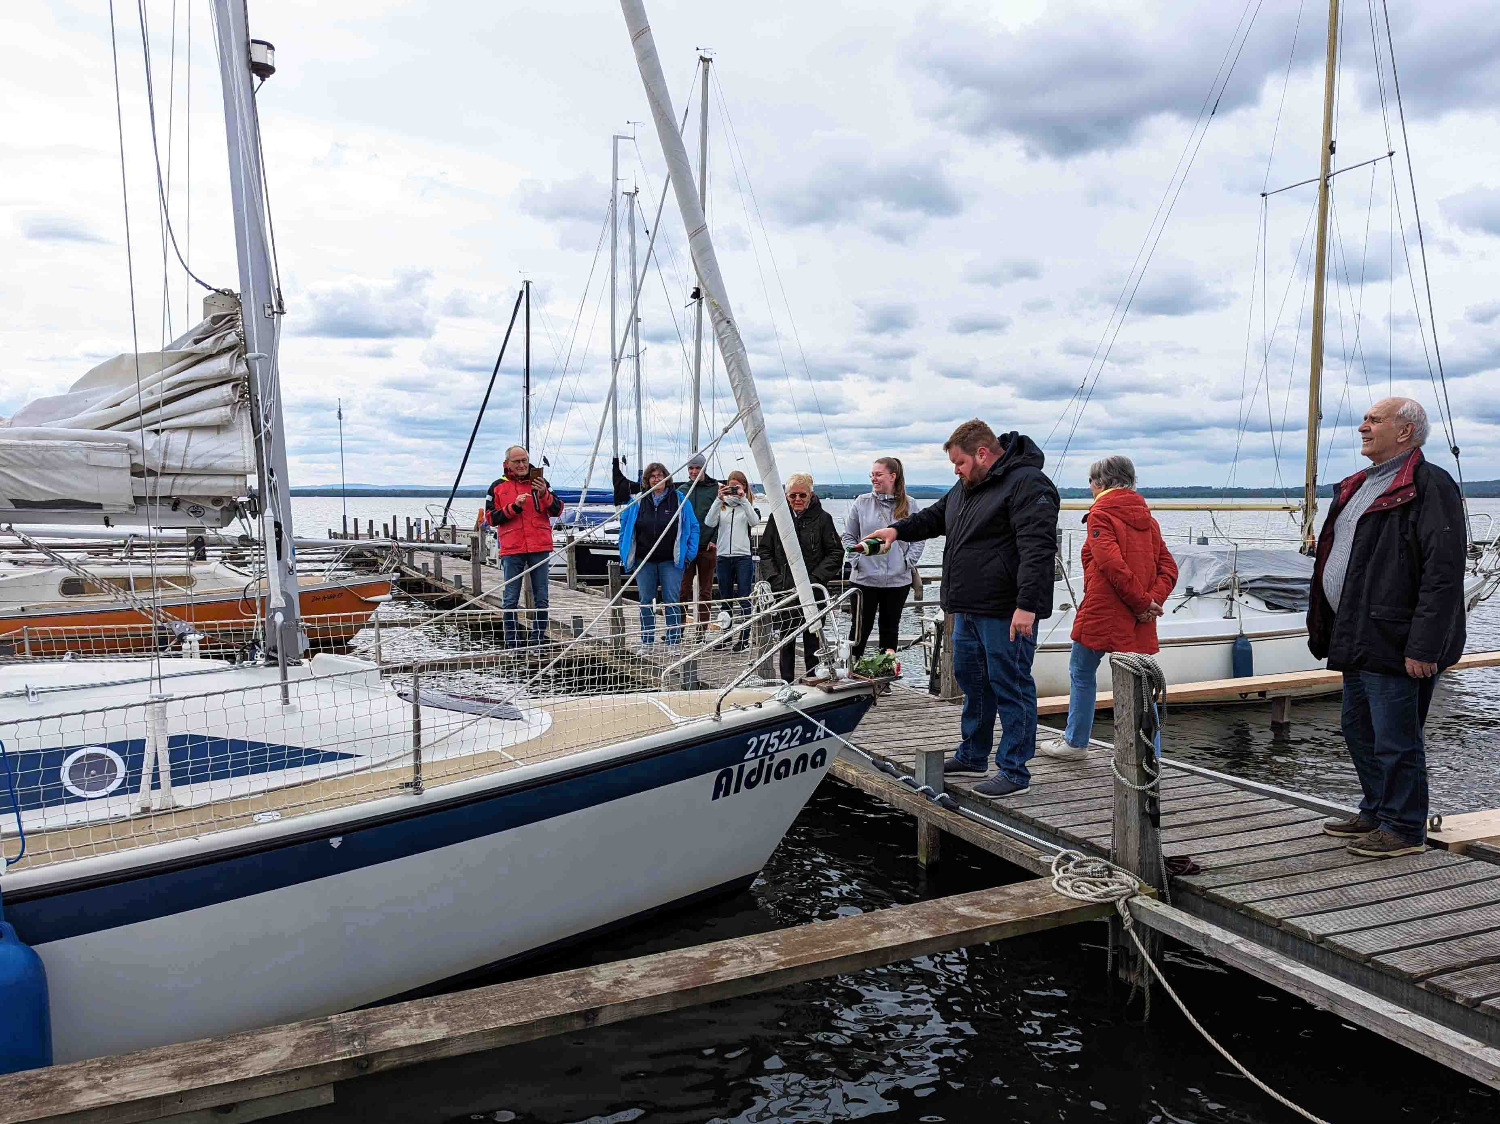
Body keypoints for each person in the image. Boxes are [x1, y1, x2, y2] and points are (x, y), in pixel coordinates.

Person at [1308, 397, 1466, 858]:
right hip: (1357, 632)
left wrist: (1425, 645)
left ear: (1404, 432)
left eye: (1374, 420)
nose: (1363, 426)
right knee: (1359, 728)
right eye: (1365, 419)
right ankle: (1376, 810)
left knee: (1397, 738)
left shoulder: (1428, 484)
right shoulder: (1361, 484)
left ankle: (1403, 829)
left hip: (1396, 638)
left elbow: (1443, 573)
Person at [869, 419, 1059, 798]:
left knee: (1011, 684)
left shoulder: (1028, 484)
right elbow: (936, 517)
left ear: (982, 454)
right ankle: (973, 754)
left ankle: (1014, 770)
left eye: (959, 463)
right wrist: (896, 530)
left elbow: (1038, 549)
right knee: (973, 684)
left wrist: (1027, 606)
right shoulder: (968, 486)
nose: (955, 470)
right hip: (968, 607)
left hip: (1007, 610)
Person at [1038, 455, 1177, 761]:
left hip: (1103, 611)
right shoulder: (1148, 520)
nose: (1089, 488)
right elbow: (1169, 568)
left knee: (1081, 671)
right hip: (1138, 616)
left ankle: (1075, 742)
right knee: (1141, 682)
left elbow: (1110, 563)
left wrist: (1144, 603)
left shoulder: (1101, 515)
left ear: (1100, 483)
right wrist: (1151, 602)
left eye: (1090, 482)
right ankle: (1150, 751)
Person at [758, 472, 842, 681]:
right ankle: (786, 683)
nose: (797, 500)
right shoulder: (777, 518)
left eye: (802, 496)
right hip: (784, 590)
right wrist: (773, 578)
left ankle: (812, 681)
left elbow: (836, 553)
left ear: (810, 495)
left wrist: (815, 579)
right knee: (786, 642)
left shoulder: (823, 519)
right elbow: (765, 550)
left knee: (813, 640)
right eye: (792, 495)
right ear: (786, 496)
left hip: (812, 592)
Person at [842, 457, 925, 661]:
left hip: (898, 580)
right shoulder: (862, 502)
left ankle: (884, 677)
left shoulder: (910, 504)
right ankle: (852, 673)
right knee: (860, 629)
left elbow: (919, 538)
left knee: (890, 629)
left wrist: (907, 562)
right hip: (864, 579)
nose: (874, 479)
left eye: (878, 474)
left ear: (892, 476)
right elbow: (848, 537)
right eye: (872, 474)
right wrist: (856, 560)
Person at [485, 445, 563, 647]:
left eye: (524, 461)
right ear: (507, 463)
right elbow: (490, 518)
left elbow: (557, 510)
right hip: (513, 548)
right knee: (510, 599)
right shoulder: (497, 486)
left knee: (542, 599)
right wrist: (514, 507)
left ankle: (537, 642)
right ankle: (513, 644)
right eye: (517, 461)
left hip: (539, 546)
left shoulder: (541, 482)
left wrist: (544, 493)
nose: (521, 465)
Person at [618, 461, 699, 646]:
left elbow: (693, 527)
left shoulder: (679, 500)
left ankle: (673, 642)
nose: (657, 479)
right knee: (646, 601)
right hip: (644, 560)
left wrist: (690, 554)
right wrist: (624, 552)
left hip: (671, 560)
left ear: (666, 478)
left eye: (660, 476)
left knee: (671, 600)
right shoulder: (638, 501)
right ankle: (647, 642)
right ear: (647, 480)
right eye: (653, 476)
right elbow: (625, 528)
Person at [705, 469, 758, 647]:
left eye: (737, 486)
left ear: (743, 487)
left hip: (742, 556)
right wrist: (718, 498)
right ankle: (726, 636)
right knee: (725, 599)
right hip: (723, 557)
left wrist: (743, 500)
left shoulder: (747, 505)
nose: (734, 489)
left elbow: (754, 521)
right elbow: (709, 522)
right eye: (731, 486)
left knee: (744, 598)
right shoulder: (722, 506)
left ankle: (744, 639)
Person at [678, 453, 721, 633]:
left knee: (705, 592)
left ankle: (701, 632)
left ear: (704, 468)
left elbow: (722, 515)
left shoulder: (715, 488)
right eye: (691, 468)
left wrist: (714, 538)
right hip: (688, 548)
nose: (694, 471)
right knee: (682, 591)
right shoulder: (681, 490)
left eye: (697, 468)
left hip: (707, 547)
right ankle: (677, 630)